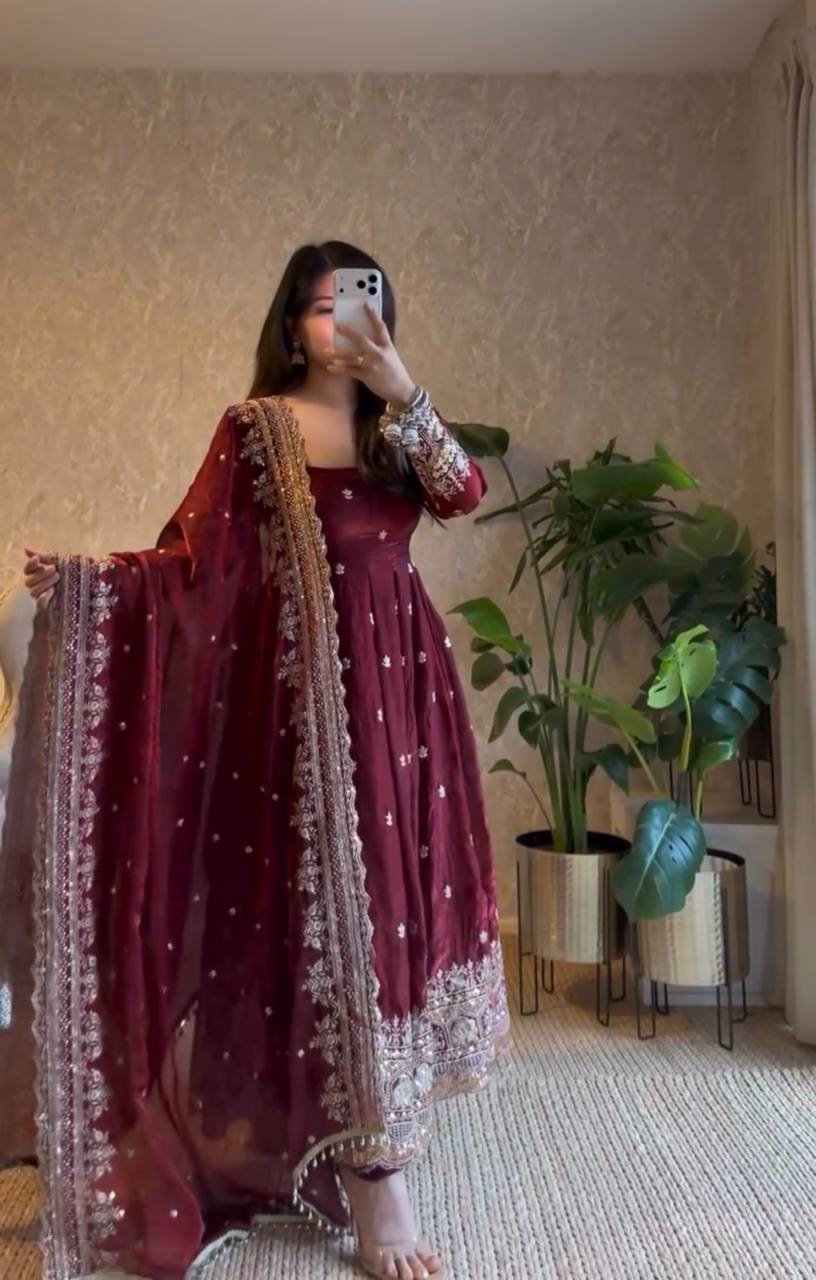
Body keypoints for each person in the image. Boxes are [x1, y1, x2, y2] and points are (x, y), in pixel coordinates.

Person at [9, 240, 511, 1280]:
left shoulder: (394, 426)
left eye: (365, 303)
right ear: (292, 324)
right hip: (306, 719)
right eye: (328, 306)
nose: (347, 322)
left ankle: (381, 1129)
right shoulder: (255, 430)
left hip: (405, 695)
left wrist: (401, 388)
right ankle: (376, 1182)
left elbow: (462, 492)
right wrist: (94, 582)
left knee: (398, 912)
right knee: (340, 922)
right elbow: (191, 565)